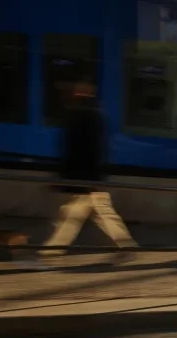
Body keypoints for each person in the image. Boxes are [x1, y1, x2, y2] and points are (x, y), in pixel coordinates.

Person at [41, 80, 137, 261]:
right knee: (100, 214)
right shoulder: (96, 117)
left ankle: (51, 251)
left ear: (76, 95)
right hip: (93, 177)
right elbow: (96, 151)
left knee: (72, 215)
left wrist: (63, 176)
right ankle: (127, 246)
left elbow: (73, 151)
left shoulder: (76, 117)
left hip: (82, 178)